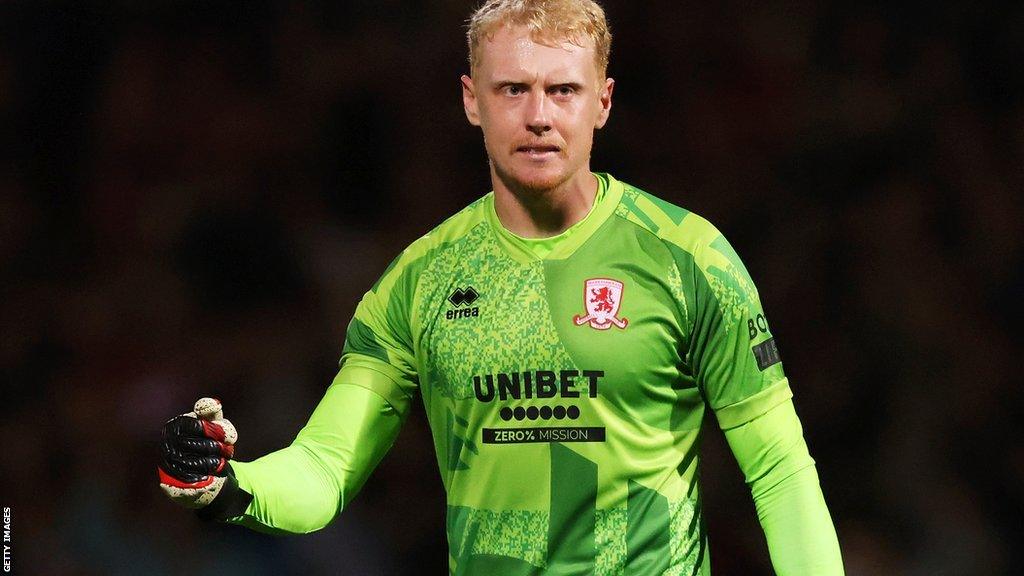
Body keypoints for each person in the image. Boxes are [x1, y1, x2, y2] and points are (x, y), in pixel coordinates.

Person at [158, 0, 845, 573]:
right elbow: (324, 470)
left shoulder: (690, 258)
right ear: (471, 102)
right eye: (513, 89)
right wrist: (227, 485)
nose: (539, 115)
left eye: (564, 90)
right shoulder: (419, 281)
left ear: (602, 102)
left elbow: (779, 469)